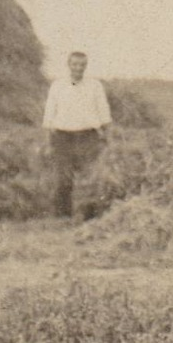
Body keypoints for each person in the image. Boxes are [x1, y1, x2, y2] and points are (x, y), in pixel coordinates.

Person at [42, 50, 112, 218]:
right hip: (62, 137)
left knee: (89, 178)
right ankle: (63, 216)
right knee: (63, 178)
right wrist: (47, 141)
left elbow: (103, 112)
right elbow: (49, 114)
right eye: (75, 64)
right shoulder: (58, 85)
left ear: (86, 66)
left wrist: (108, 136)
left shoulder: (95, 85)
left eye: (82, 65)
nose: (78, 68)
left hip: (88, 137)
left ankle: (88, 215)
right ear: (69, 65)